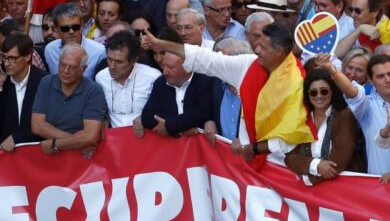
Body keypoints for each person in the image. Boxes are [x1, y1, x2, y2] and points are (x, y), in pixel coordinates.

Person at [144, 23, 314, 164]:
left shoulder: (297, 81)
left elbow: (291, 137)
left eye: (263, 47)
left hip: (280, 163)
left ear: (279, 52)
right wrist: (162, 45)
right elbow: (206, 59)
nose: (257, 50)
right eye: (257, 45)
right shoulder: (249, 65)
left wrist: (255, 148)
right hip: (246, 161)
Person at [284, 63, 364, 184]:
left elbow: (337, 164)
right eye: (313, 92)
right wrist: (316, 166)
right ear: (307, 94)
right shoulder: (301, 118)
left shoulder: (345, 116)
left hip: (343, 190)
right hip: (314, 195)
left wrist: (307, 180)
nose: (319, 96)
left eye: (324, 91)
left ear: (332, 91)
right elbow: (290, 158)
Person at [30, 44, 107, 158]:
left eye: (72, 67)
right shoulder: (46, 82)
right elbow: (37, 126)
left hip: (79, 158)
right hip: (50, 156)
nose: (66, 71)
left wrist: (55, 143)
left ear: (83, 69)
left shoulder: (93, 91)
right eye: (63, 65)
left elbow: (90, 136)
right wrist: (78, 142)